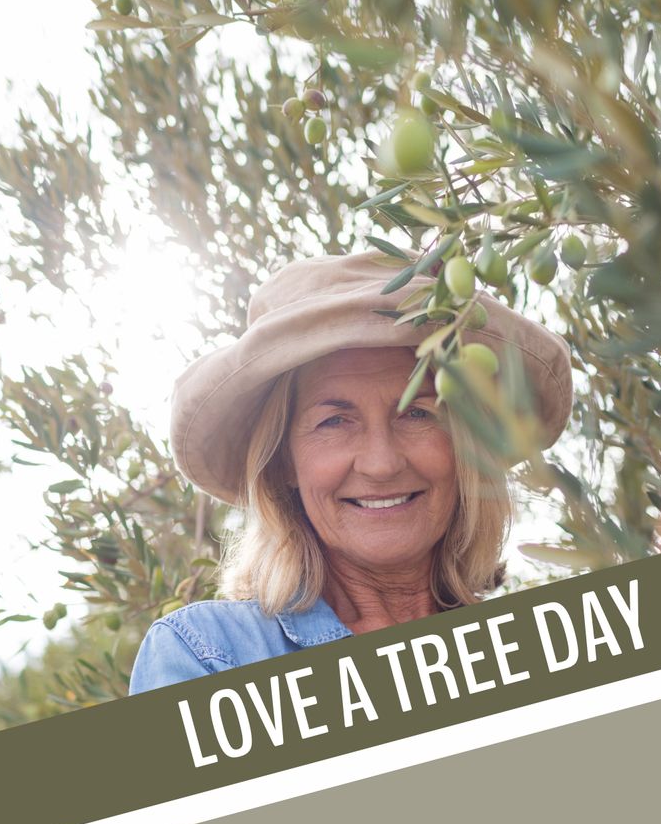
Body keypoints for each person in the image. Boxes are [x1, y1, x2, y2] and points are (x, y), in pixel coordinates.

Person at [128, 251, 572, 694]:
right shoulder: (208, 653)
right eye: (334, 422)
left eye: (417, 413)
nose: (381, 463)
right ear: (284, 463)